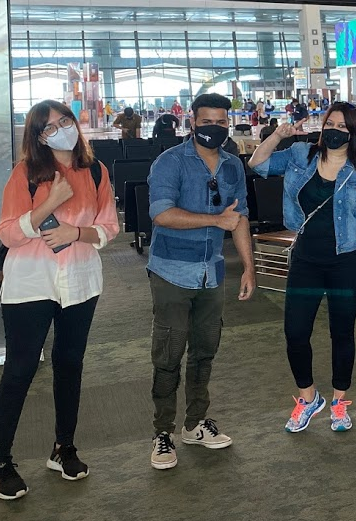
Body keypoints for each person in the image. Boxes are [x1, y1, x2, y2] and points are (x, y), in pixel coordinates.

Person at [0, 100, 119, 500]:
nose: (61, 128)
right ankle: (1, 461)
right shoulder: (25, 173)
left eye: (65, 120)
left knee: (69, 364)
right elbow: (7, 233)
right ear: (38, 137)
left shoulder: (96, 170)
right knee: (21, 368)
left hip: (80, 281)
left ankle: (63, 447)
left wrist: (74, 234)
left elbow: (109, 226)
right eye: (49, 126)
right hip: (31, 283)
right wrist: (48, 202)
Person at [249, 103, 356, 433]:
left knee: (342, 333)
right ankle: (308, 399)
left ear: (353, 135)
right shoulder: (299, 154)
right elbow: (257, 164)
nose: (334, 130)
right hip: (306, 260)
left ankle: (339, 403)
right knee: (295, 332)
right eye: (330, 124)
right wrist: (277, 134)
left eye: (342, 127)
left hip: (346, 262)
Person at [146, 93, 255, 470]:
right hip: (171, 272)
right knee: (169, 354)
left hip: (213, 274)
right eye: (207, 120)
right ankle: (163, 432)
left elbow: (239, 217)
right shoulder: (170, 162)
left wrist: (249, 267)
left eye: (222, 122)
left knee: (205, 351)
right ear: (192, 122)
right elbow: (161, 214)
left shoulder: (232, 166)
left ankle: (194, 424)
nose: (215, 127)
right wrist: (214, 221)